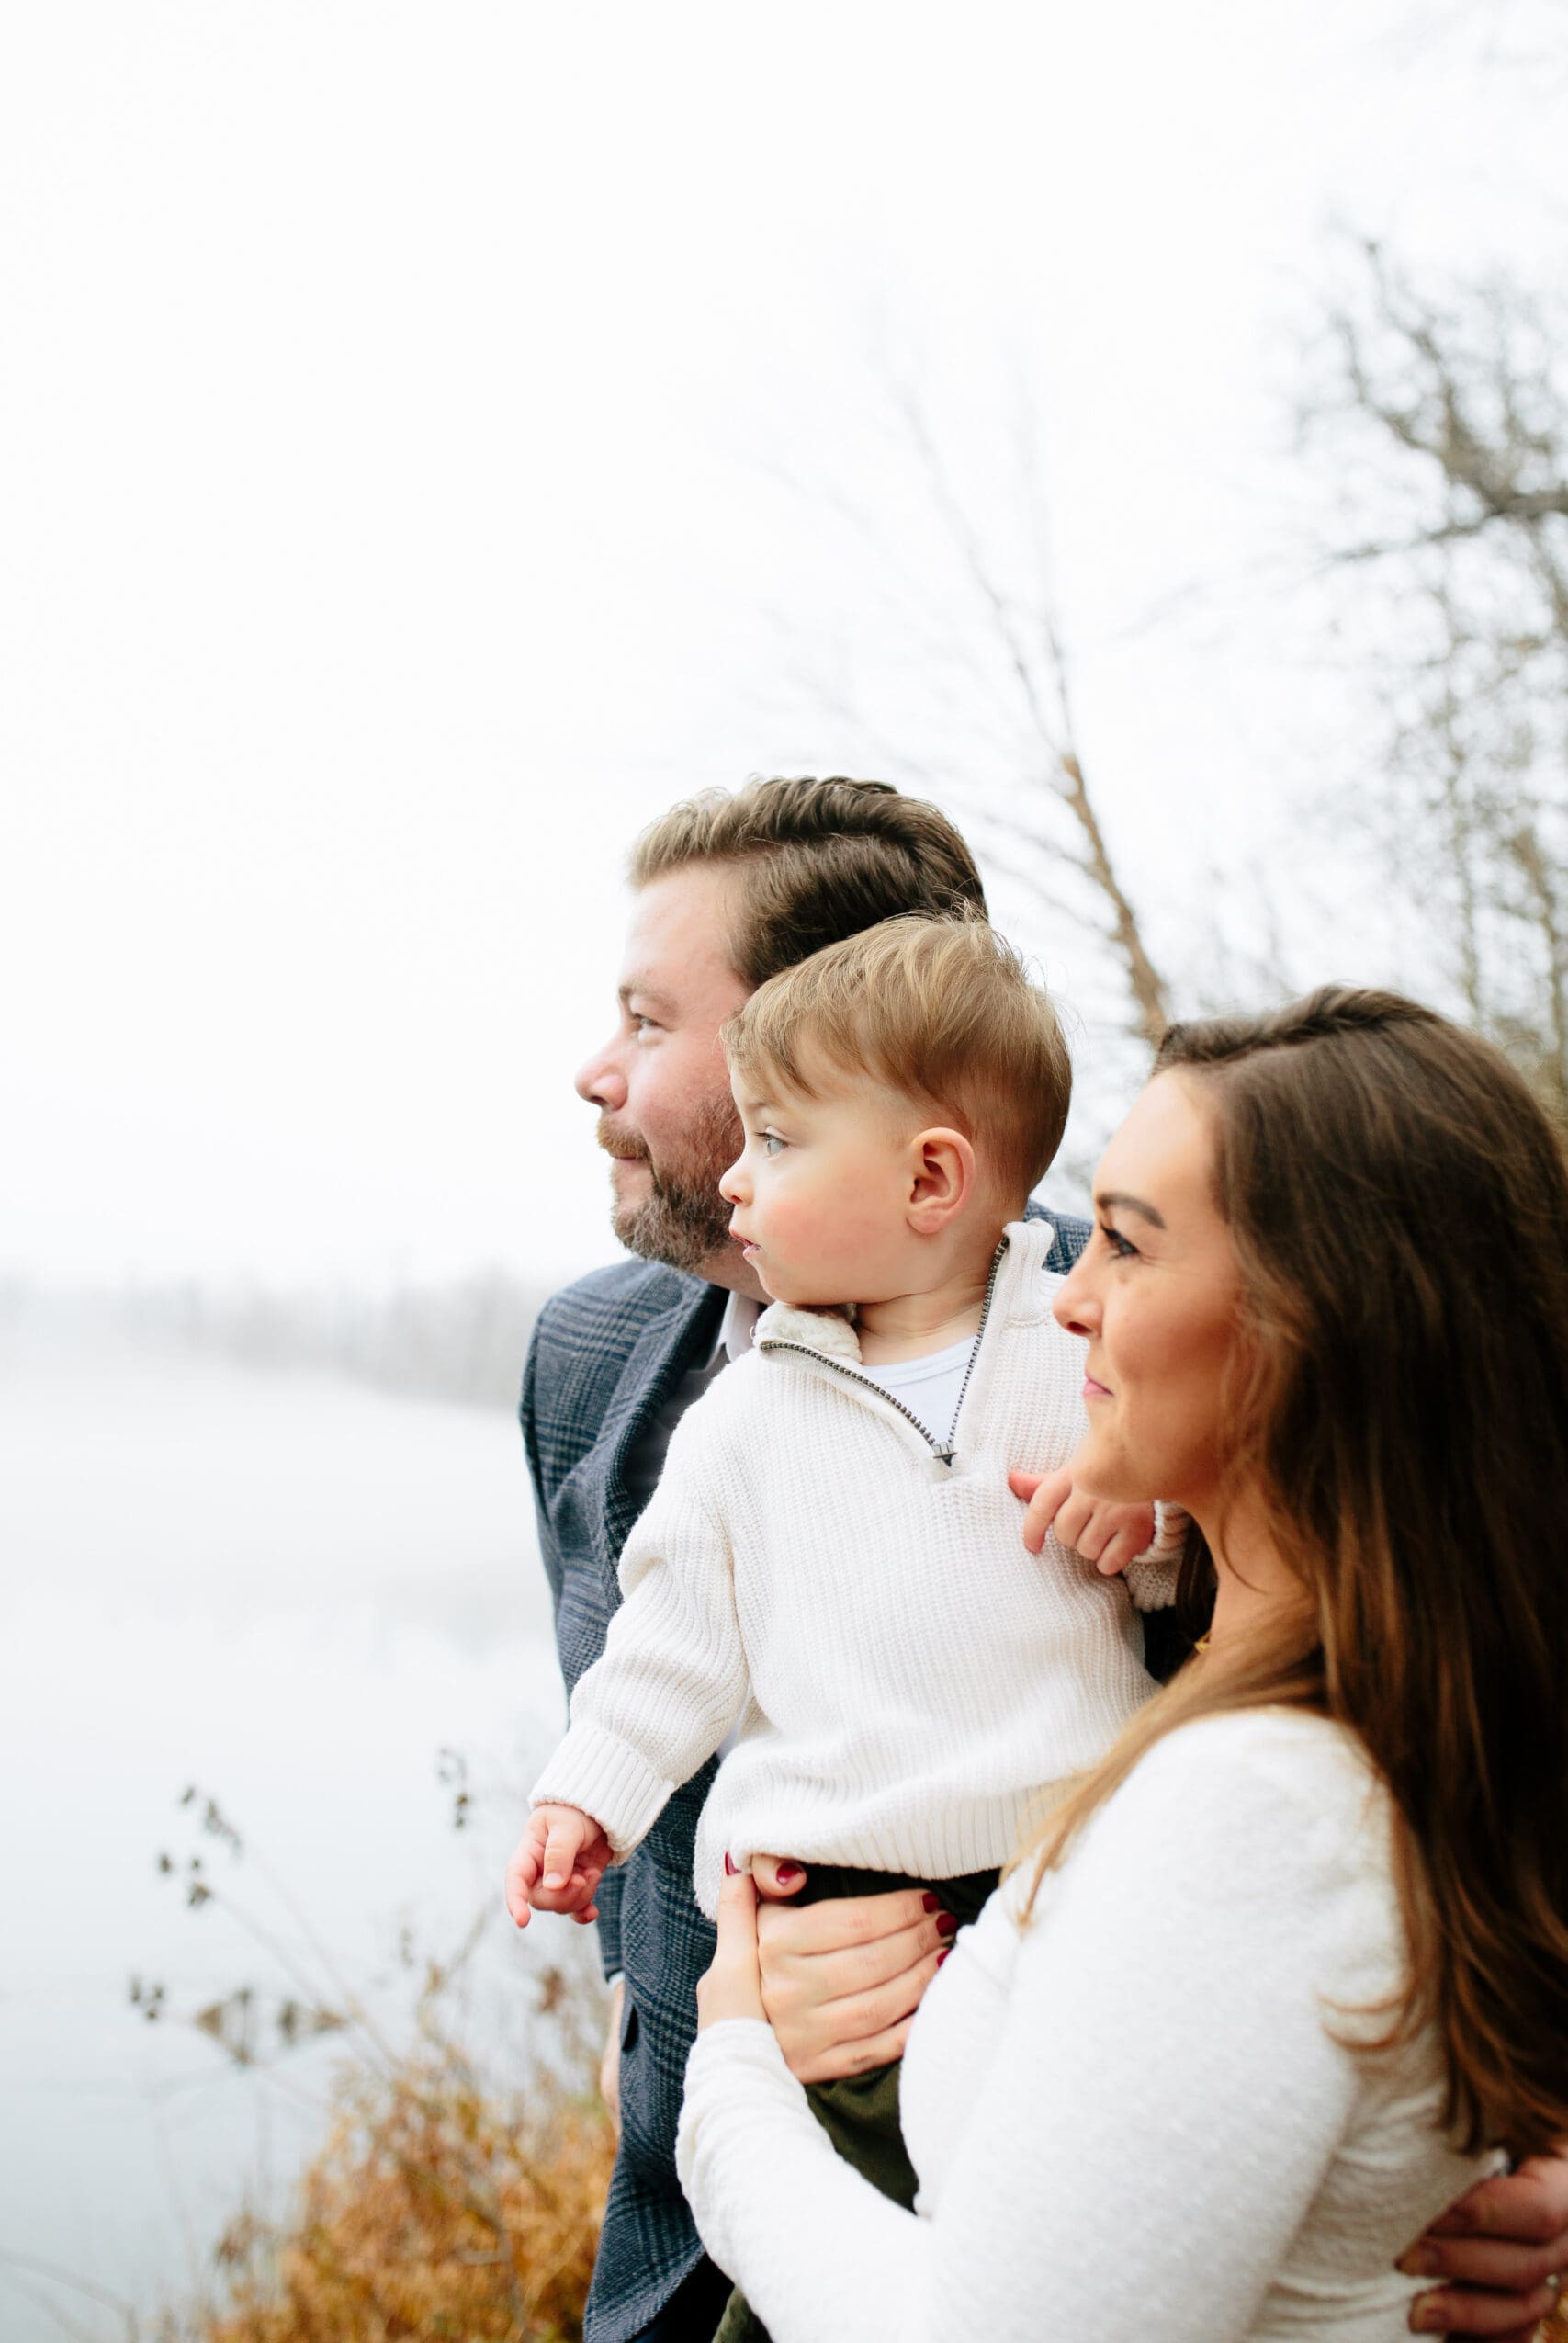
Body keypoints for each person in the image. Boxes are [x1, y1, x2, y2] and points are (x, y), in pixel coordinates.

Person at [524, 774, 1568, 2342]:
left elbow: (1431, 1699)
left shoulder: (1127, 1351)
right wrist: (696, 2001)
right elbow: (643, 1731)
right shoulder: (595, 1368)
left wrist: (1519, 2124)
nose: (593, 1069)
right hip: (709, 2233)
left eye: (653, 1020)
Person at [508, 917, 1180, 2252]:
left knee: (1065, 2241)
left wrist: (1146, 1517)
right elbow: (670, 1649)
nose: (737, 1185)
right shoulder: (745, 1420)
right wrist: (588, 1793)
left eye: (776, 1143)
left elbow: (1204, 1567)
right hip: (846, 1911)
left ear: (934, 1178)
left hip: (1077, 1894)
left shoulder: (1078, 1360)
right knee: (845, 2246)